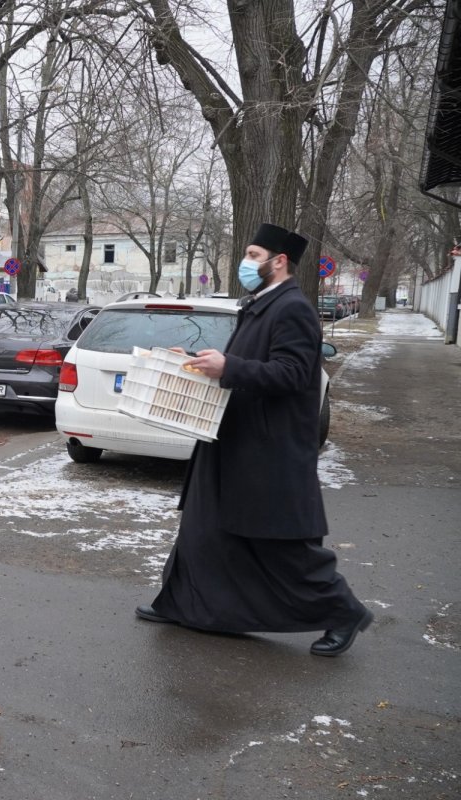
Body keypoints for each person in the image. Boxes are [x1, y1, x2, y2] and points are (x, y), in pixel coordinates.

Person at [136, 223, 372, 657]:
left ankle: (344, 611)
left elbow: (294, 374)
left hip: (266, 450)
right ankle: (181, 603)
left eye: (252, 254)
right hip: (232, 438)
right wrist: (195, 363)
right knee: (203, 529)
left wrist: (229, 368)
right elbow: (244, 364)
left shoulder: (293, 309)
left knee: (280, 545)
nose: (246, 263)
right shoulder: (260, 304)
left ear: (278, 261)